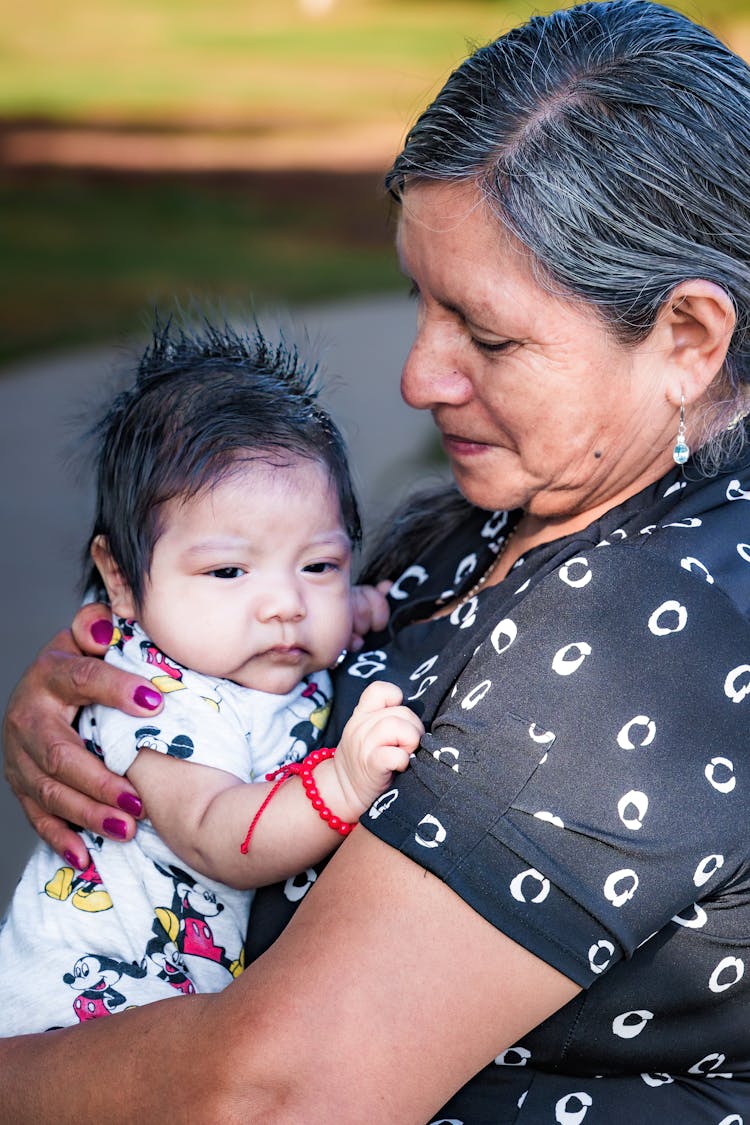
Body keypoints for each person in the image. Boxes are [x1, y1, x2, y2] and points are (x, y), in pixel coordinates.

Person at [3, 0, 750, 1117]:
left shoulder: (660, 639)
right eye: (420, 299)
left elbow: (273, 1088)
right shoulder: (496, 516)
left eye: (486, 334)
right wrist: (108, 699)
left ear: (687, 339)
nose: (418, 378)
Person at [0, 317, 419, 1034]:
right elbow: (216, 834)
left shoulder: (272, 630)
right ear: (121, 581)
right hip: (83, 1007)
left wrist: (360, 601)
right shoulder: (155, 698)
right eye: (228, 570)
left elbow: (332, 606)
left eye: (318, 563)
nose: (286, 606)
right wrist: (341, 786)